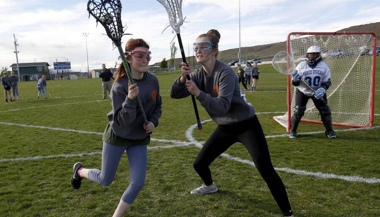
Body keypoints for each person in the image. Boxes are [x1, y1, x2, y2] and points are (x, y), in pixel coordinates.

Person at [170, 29, 293, 217]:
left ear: (215, 50)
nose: (198, 50)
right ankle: (210, 187)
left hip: (246, 125)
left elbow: (222, 107)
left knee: (265, 168)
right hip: (225, 128)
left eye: (204, 46)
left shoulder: (225, 72)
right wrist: (182, 79)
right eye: (196, 47)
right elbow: (175, 94)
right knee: (199, 164)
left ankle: (288, 213)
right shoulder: (197, 74)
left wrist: (198, 93)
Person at [70, 38, 162, 217]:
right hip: (118, 136)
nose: (145, 60)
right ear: (128, 58)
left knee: (137, 183)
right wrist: (130, 99)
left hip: (139, 138)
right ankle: (80, 171)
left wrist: (153, 122)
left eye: (148, 56)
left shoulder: (153, 81)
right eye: (140, 56)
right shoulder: (119, 85)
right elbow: (122, 121)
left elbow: (157, 106)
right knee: (105, 180)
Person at [289, 45, 336, 139]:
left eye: (314, 55)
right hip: (303, 91)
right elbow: (295, 83)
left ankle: (329, 131)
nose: (311, 56)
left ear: (318, 55)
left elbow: (327, 81)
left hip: (317, 91)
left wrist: (323, 89)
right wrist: (295, 80)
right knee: (299, 110)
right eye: (310, 54)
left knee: (325, 110)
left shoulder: (323, 66)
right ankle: (293, 130)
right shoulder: (301, 65)